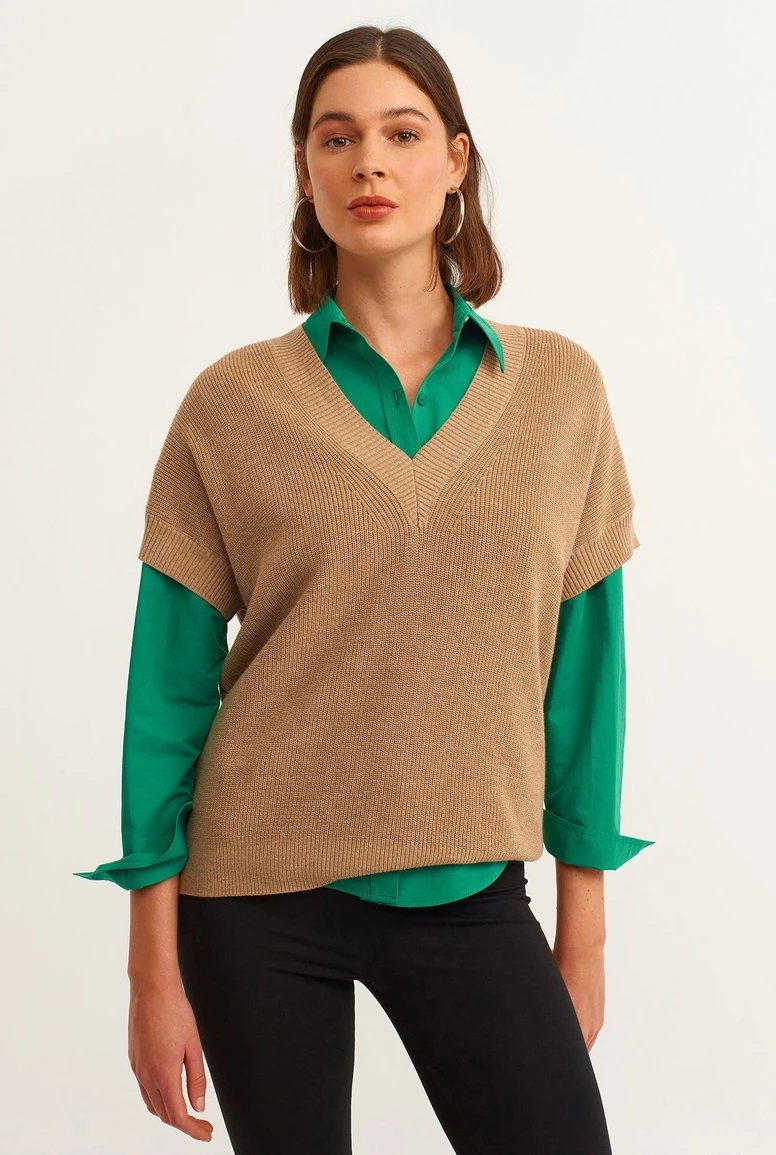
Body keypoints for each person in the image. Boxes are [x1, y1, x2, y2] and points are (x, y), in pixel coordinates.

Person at [74, 23, 654, 1154]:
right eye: (335, 139)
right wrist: (151, 972)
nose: (368, 164)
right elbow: (167, 694)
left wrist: (582, 930)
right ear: (305, 170)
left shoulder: (559, 391)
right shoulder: (231, 406)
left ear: (456, 160)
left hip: (472, 891)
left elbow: (586, 676)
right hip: (253, 901)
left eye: (401, 134)